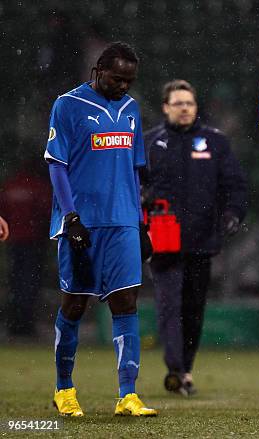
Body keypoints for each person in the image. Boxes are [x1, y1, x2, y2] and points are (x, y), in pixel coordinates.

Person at [45, 41, 157, 417]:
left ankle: (128, 394)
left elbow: (135, 170)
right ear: (98, 71)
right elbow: (57, 165)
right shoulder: (68, 105)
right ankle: (64, 388)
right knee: (75, 304)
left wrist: (142, 223)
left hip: (123, 221)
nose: (124, 86)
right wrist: (70, 217)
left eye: (130, 80)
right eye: (117, 78)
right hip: (83, 223)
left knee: (126, 303)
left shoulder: (131, 109)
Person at [142, 79, 247, 396]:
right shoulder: (149, 143)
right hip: (162, 241)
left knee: (194, 310)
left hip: (202, 240)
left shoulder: (215, 142)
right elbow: (133, 184)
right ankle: (176, 368)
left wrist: (233, 214)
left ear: (196, 107)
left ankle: (184, 369)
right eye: (178, 103)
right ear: (165, 107)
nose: (185, 108)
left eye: (189, 103)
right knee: (169, 305)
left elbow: (235, 184)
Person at [0, 160, 51, 337]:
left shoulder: (11, 186)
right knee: (30, 284)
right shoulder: (37, 186)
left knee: (15, 283)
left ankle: (15, 324)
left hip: (14, 240)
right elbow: (46, 212)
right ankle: (26, 324)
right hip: (32, 242)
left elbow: (3, 213)